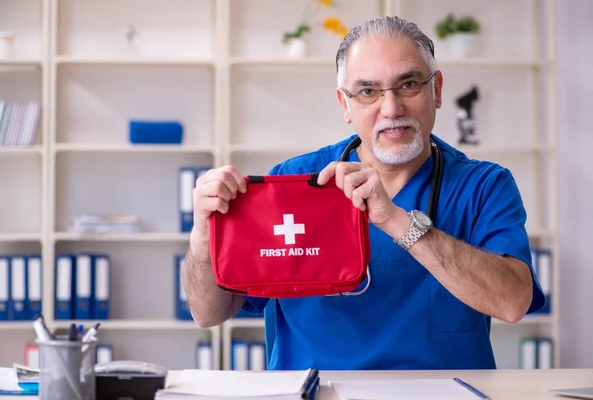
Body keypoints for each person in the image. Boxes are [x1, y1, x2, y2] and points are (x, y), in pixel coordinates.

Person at [183, 15, 545, 370]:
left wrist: (397, 221)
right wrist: (203, 236)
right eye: (368, 91)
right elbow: (208, 313)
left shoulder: (484, 186)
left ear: (436, 90)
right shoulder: (292, 183)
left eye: (408, 84)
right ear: (345, 104)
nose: (391, 109)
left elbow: (513, 302)